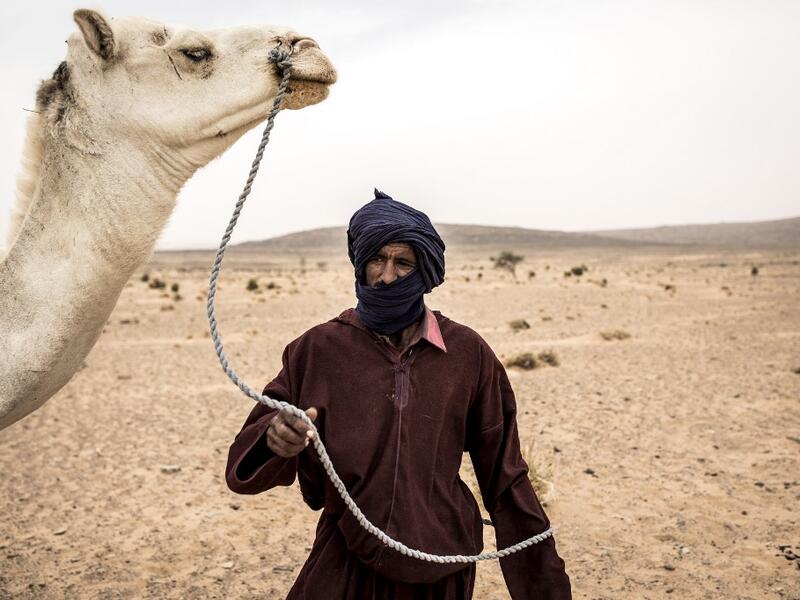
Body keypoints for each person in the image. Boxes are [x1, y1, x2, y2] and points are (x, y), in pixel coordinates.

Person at [226, 190, 572, 599]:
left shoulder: (468, 354)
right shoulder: (316, 350)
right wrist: (275, 438)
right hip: (347, 554)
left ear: (424, 272)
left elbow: (505, 477)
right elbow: (245, 461)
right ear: (360, 264)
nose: (386, 276)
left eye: (403, 263)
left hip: (441, 563)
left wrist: (544, 588)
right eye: (377, 259)